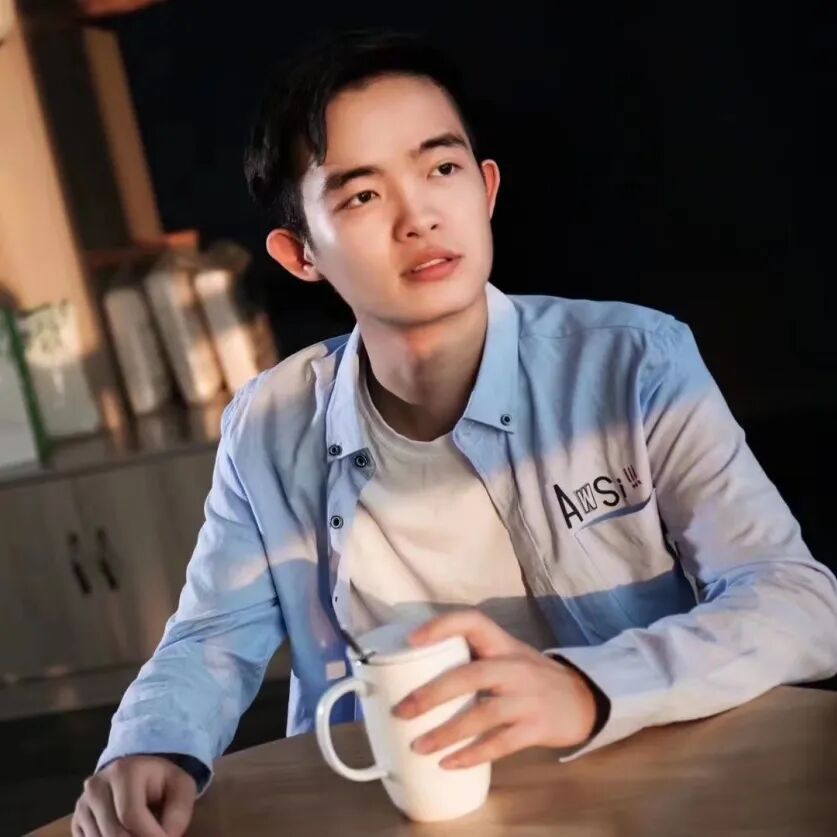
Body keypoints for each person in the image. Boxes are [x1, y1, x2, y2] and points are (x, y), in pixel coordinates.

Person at [72, 28, 837, 837]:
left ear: (486, 187)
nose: (419, 217)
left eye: (441, 169)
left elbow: (798, 602)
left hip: (648, 791)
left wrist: (587, 687)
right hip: (395, 810)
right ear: (300, 255)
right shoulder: (268, 422)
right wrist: (151, 744)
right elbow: (212, 633)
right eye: (362, 196)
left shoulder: (632, 363)